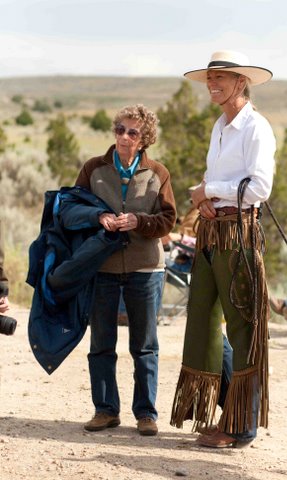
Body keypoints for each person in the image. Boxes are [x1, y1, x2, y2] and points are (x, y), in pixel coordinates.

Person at [170, 50, 276, 448]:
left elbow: (259, 188)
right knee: (205, 323)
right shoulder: (220, 124)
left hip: (239, 237)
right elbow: (218, 176)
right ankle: (228, 414)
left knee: (243, 327)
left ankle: (242, 427)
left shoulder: (256, 128)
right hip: (213, 234)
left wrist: (208, 191)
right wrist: (203, 197)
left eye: (221, 78)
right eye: (210, 78)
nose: (213, 84)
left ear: (240, 82)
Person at [74, 104, 176, 436]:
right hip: (101, 267)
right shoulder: (93, 169)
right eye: (120, 129)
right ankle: (105, 410)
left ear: (145, 138)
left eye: (133, 132)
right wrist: (97, 218)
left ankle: (145, 414)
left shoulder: (158, 173)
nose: (124, 137)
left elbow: (167, 220)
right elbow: (72, 209)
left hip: (145, 268)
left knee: (144, 345)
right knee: (101, 341)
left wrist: (139, 221)